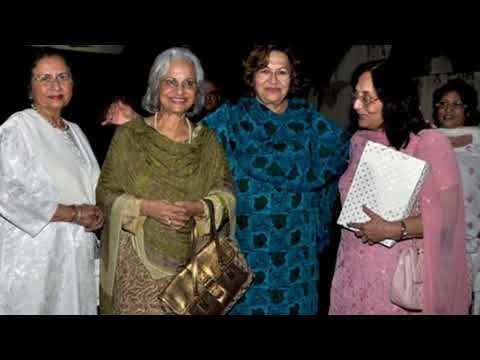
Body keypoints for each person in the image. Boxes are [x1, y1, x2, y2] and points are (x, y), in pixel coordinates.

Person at [103, 44, 350, 315]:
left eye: (282, 72)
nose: (273, 80)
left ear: (293, 78)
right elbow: (183, 142)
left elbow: (341, 168)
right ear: (251, 76)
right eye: (264, 71)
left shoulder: (316, 128)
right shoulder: (228, 120)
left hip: (297, 258)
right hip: (238, 257)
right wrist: (136, 123)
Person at [96, 47, 236, 315]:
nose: (179, 91)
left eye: (188, 83)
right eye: (170, 81)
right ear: (156, 85)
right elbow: (105, 194)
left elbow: (226, 195)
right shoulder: (130, 136)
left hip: (192, 268)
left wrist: (197, 207)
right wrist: (146, 208)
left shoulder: (207, 142)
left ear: (197, 91)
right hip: (136, 269)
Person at [329, 60, 471, 315]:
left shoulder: (428, 143)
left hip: (396, 280)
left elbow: (449, 220)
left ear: (394, 100)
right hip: (351, 270)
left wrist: (393, 229)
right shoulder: (359, 141)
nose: (356, 105)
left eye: (367, 98)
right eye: (356, 96)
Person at [0, 50, 104, 315]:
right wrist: (74, 213)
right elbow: (7, 194)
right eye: (44, 78)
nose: (55, 85)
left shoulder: (76, 131)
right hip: (36, 261)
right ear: (29, 88)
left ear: (72, 84)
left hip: (76, 256)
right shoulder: (17, 127)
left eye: (62, 77)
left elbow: (94, 189)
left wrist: (96, 213)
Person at [433, 79, 480, 315]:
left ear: (467, 110)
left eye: (456, 104)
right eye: (442, 103)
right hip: (435, 243)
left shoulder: (478, 145)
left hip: (473, 244)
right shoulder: (424, 142)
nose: (448, 109)